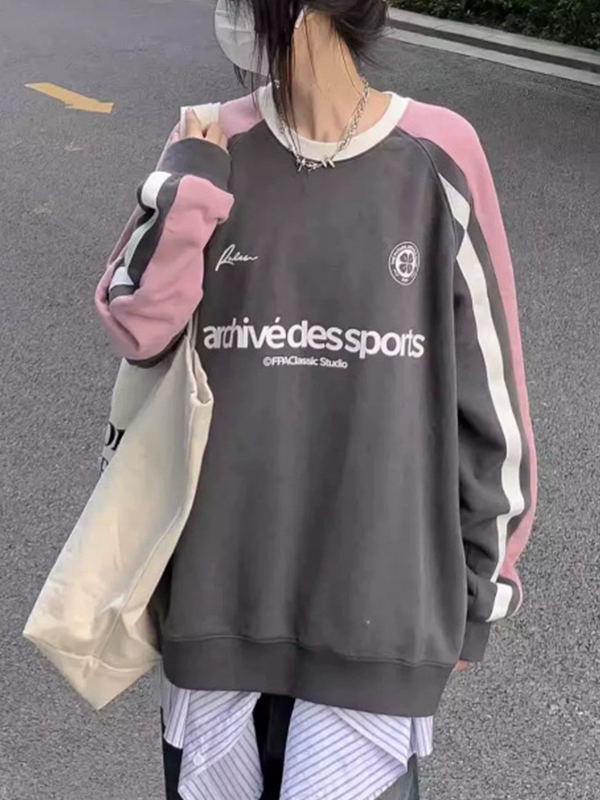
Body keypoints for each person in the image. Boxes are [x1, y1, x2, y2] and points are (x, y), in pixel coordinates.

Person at [95, 1, 537, 798]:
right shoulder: (213, 139)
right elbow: (138, 327)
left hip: (377, 613)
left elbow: (493, 399)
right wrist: (193, 179)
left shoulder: (439, 154)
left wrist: (482, 590)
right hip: (219, 601)